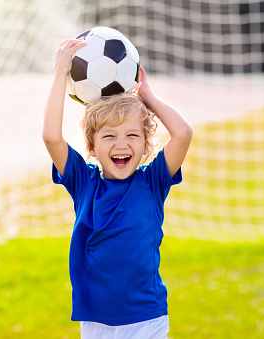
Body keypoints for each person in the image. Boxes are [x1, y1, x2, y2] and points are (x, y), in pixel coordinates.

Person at [42, 37, 193, 338]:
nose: (121, 144)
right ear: (92, 147)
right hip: (97, 320)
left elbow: (183, 133)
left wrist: (147, 97)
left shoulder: (153, 181)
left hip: (147, 318)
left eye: (132, 135)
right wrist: (60, 71)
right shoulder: (83, 182)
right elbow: (51, 137)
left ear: (146, 144)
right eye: (109, 137)